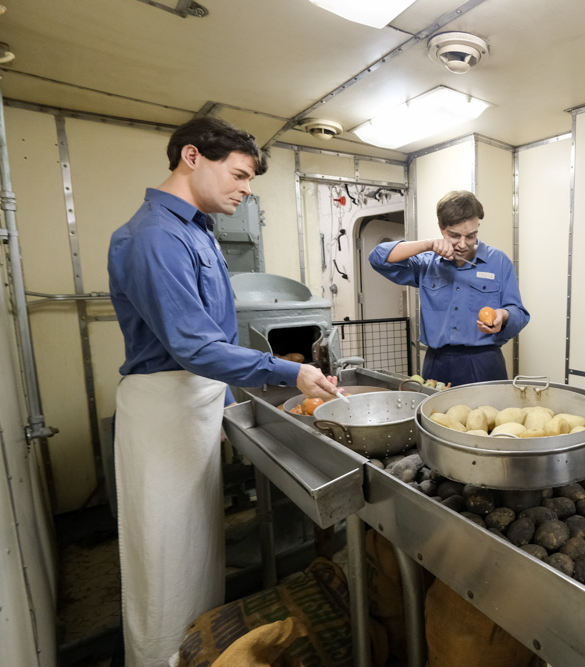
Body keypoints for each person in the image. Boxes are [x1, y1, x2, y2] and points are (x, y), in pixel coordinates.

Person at [107, 116, 338, 666]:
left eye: (251, 180)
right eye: (238, 175)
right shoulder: (153, 236)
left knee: (196, 554)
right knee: (166, 563)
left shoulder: (198, 229)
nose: (246, 189)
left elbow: (212, 336)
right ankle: (163, 657)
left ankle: (199, 650)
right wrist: (290, 372)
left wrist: (231, 402)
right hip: (164, 407)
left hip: (196, 400)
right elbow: (192, 345)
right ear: (192, 157)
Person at [368, 190, 529, 385]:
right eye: (454, 235)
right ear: (442, 229)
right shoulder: (426, 263)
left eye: (471, 236)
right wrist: (427, 245)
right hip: (437, 363)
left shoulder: (499, 261)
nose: (463, 244)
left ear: (478, 225)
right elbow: (378, 258)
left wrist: (502, 316)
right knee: (435, 416)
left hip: (484, 362)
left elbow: (519, 312)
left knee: (488, 415)